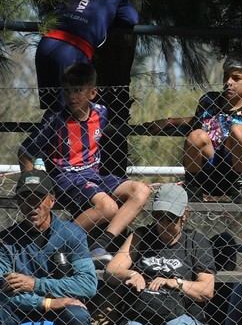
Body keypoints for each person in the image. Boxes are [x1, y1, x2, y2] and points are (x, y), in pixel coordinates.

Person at [21, 62, 151, 257]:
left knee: (140, 191)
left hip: (93, 175)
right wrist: (33, 184)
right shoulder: (55, 119)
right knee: (108, 207)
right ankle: (57, 241)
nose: (72, 96)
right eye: (67, 91)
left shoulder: (101, 113)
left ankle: (101, 244)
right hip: (66, 177)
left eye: (78, 90)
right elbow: (25, 151)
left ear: (92, 93)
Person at [104, 183, 216, 325]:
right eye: (159, 217)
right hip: (143, 315)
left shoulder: (195, 242)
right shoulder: (141, 236)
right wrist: (131, 274)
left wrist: (176, 282)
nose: (164, 224)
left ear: (185, 215)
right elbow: (112, 270)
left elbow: (207, 290)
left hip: (183, 316)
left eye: (171, 218)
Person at [34, 0, 139, 178]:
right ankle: (60, 167)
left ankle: (40, 160)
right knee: (68, 111)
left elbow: (56, 10)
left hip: (46, 44)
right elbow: (131, 19)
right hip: (73, 48)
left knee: (53, 109)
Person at [0, 168, 97, 325]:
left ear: (52, 201)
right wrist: (47, 303)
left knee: (77, 315)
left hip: (63, 309)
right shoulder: (5, 241)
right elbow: (4, 291)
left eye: (38, 198)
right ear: (18, 202)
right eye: (25, 199)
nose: (32, 205)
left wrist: (35, 284)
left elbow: (88, 284)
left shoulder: (72, 235)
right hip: (20, 309)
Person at [176, 51, 242, 203]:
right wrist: (169, 122)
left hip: (234, 174)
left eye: (236, 78)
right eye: (226, 76)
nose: (228, 82)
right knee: (197, 135)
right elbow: (195, 129)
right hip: (206, 175)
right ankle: (192, 187)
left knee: (240, 131)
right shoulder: (207, 101)